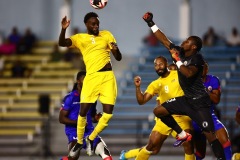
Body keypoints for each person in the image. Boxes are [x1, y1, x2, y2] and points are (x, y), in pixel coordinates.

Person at [142, 12, 226, 159]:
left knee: (211, 138)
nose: (184, 42)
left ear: (193, 46)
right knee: (158, 111)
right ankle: (181, 135)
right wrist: (151, 23)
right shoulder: (179, 52)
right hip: (186, 100)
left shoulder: (197, 58)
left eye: (187, 41)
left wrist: (177, 61)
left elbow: (188, 73)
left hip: (200, 103)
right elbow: (164, 41)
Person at [58, 12, 122, 157]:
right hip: (92, 77)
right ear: (86, 24)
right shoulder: (81, 38)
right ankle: (80, 142)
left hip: (107, 77)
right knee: (83, 111)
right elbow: (62, 43)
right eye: (93, 24)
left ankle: (91, 138)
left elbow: (118, 58)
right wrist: (63, 29)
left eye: (97, 23)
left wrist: (116, 49)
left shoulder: (106, 35)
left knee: (108, 114)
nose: (96, 26)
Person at [119, 56, 195, 160]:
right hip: (165, 118)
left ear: (167, 64)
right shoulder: (155, 84)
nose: (158, 67)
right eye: (156, 65)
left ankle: (127, 154)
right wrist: (137, 87)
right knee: (152, 147)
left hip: (181, 116)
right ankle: (127, 155)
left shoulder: (178, 74)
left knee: (188, 144)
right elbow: (141, 101)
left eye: (161, 64)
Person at [59, 71, 113, 160]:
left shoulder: (92, 98)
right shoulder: (70, 98)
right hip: (74, 131)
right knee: (73, 157)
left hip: (89, 132)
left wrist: (95, 118)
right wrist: (79, 123)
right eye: (85, 80)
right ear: (78, 81)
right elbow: (61, 119)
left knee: (107, 156)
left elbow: (91, 116)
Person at [192, 62, 232, 160]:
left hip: (210, 115)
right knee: (201, 152)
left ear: (207, 70)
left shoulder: (213, 80)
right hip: (195, 118)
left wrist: (205, 91)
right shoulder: (191, 82)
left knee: (225, 139)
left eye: (203, 68)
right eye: (199, 68)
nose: (201, 70)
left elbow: (216, 100)